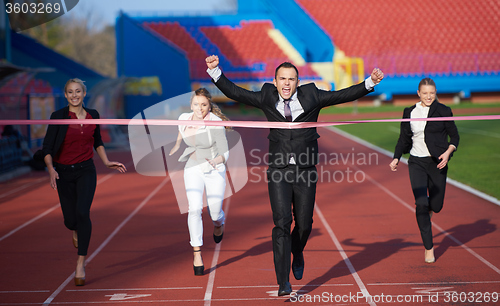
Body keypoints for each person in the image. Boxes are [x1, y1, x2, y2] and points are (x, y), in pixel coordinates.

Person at [206, 55, 384, 295]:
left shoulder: (312, 96)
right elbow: (236, 93)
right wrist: (216, 72)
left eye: (291, 79)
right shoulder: (266, 96)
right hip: (278, 170)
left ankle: (297, 251)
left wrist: (369, 83)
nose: (286, 84)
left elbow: (343, 95)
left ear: (297, 82)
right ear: (275, 81)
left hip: (306, 170)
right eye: (282, 79)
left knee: (304, 224)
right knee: (281, 224)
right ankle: (283, 282)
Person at [40, 78, 127, 286]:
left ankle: (81, 263)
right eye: (70, 92)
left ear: (84, 93)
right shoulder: (58, 116)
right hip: (63, 172)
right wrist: (51, 169)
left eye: (77, 91)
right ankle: (75, 229)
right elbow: (47, 147)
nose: (74, 95)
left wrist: (106, 162)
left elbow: (97, 141)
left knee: (82, 213)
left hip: (86, 170)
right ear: (65, 95)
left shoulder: (93, 115)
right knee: (70, 221)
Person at [390, 77, 459, 264]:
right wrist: (396, 157)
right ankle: (429, 248)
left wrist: (447, 153)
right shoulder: (409, 112)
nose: (429, 96)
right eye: (425, 93)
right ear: (418, 93)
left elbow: (454, 137)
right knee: (421, 204)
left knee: (436, 206)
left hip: (437, 163)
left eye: (432, 93)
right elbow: (403, 138)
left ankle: (428, 209)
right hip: (416, 163)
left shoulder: (443, 110)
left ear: (435, 93)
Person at [169, 88, 230, 276]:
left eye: (204, 105)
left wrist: (216, 161)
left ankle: (219, 224)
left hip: (214, 168)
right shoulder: (184, 118)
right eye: (196, 104)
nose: (200, 108)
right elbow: (181, 130)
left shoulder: (216, 122)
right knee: (194, 208)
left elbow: (225, 152)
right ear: (191, 105)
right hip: (193, 167)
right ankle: (197, 252)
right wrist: (178, 144)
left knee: (214, 213)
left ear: (209, 105)